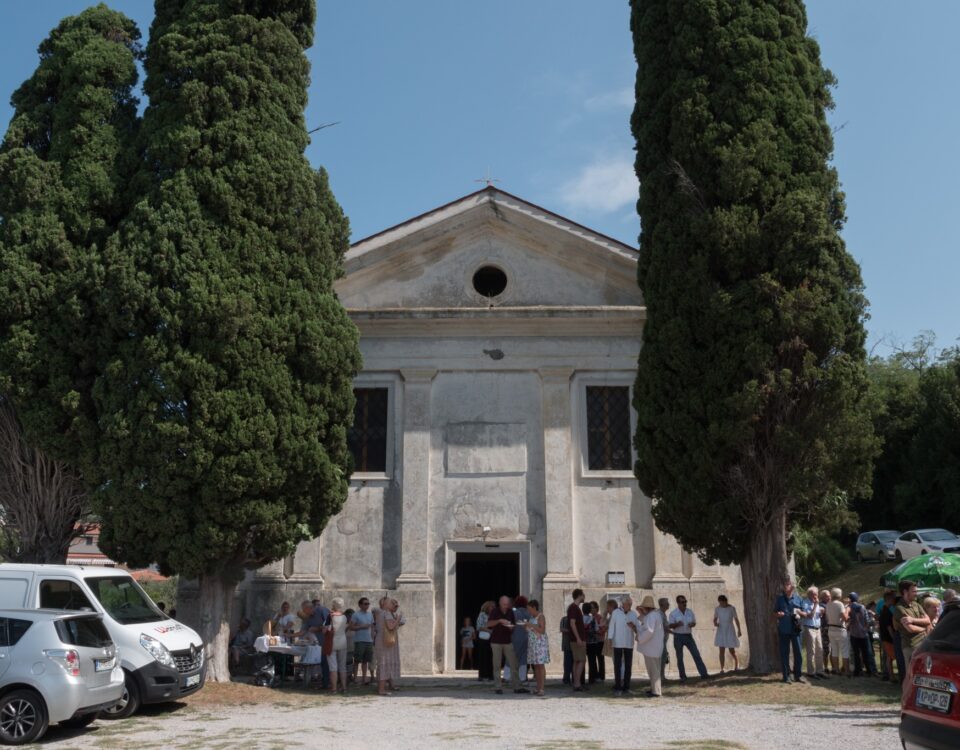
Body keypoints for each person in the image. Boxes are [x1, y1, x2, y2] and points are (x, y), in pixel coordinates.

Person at [487, 595, 527, 695]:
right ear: (500, 603)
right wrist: (499, 621)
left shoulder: (510, 612)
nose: (506, 606)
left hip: (508, 641)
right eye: (504, 604)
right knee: (496, 665)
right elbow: (489, 624)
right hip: (496, 642)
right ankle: (498, 687)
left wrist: (511, 627)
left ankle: (517, 686)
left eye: (507, 604)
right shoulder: (494, 611)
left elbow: (513, 625)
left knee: (514, 664)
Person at [669, 595, 709, 682]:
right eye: (682, 602)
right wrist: (677, 624)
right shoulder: (673, 613)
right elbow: (670, 625)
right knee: (680, 657)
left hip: (688, 636)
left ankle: (704, 674)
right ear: (678, 603)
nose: (684, 603)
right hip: (678, 636)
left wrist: (692, 624)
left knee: (696, 654)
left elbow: (694, 622)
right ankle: (683, 676)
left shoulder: (690, 612)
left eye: (685, 601)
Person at [774, 578, 804, 684]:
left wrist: (799, 613)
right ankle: (786, 676)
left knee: (798, 653)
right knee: (784, 653)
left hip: (796, 630)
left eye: (790, 584)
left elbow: (804, 614)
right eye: (786, 584)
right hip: (784, 630)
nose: (788, 586)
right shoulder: (780, 599)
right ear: (784, 587)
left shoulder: (799, 599)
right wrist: (779, 614)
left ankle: (798, 675)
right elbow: (774, 613)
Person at [606, 595, 637, 695]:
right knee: (617, 665)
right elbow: (611, 626)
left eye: (631, 604)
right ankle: (618, 686)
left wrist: (633, 627)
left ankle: (626, 687)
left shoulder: (633, 614)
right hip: (617, 641)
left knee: (628, 665)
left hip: (629, 642)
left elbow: (637, 628)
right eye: (628, 604)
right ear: (623, 604)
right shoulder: (615, 612)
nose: (630, 606)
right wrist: (610, 639)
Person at [635, 596, 665, 697]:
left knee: (653, 671)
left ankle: (656, 692)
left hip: (651, 648)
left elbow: (649, 631)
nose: (642, 609)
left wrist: (639, 638)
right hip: (653, 647)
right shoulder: (654, 615)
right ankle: (654, 689)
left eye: (643, 608)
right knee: (653, 670)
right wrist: (641, 613)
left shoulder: (652, 616)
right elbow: (645, 620)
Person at [375, 597, 402, 696]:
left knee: (383, 663)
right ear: (386, 605)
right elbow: (391, 627)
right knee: (384, 663)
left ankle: (382, 687)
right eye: (392, 603)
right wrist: (398, 619)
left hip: (382, 641)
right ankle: (381, 690)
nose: (394, 605)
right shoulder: (386, 613)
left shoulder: (382, 613)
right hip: (385, 642)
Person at [524, 599, 550, 696]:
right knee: (536, 666)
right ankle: (538, 687)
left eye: (529, 609)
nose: (528, 611)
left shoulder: (540, 616)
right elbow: (530, 630)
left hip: (540, 644)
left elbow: (542, 630)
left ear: (534, 608)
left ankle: (542, 688)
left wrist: (530, 625)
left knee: (540, 666)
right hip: (533, 645)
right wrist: (525, 626)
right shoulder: (531, 617)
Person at [800, 586, 826, 680]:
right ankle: (811, 672)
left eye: (817, 593)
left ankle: (820, 671)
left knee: (820, 650)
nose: (817, 596)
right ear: (810, 594)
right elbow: (810, 616)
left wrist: (821, 613)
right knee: (811, 651)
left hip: (817, 628)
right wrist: (815, 605)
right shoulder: (805, 602)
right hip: (809, 629)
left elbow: (816, 614)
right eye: (815, 594)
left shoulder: (817, 602)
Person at [846, 592, 873, 677]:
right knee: (866, 653)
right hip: (863, 634)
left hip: (854, 634)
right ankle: (869, 671)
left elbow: (847, 620)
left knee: (856, 653)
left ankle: (857, 671)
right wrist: (865, 628)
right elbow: (867, 620)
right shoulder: (862, 607)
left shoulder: (849, 608)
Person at [713, 594, 742, 673]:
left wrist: (739, 630)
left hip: (729, 629)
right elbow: (715, 619)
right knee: (721, 650)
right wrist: (715, 623)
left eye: (722, 602)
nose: (721, 604)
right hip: (721, 629)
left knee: (731, 650)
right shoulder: (717, 609)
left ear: (725, 601)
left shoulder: (732, 608)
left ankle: (736, 664)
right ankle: (722, 668)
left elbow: (736, 619)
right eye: (720, 603)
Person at [350, 597, 375, 685]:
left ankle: (364, 678)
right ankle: (355, 678)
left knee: (366, 661)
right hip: (359, 640)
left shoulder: (370, 615)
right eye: (365, 604)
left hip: (369, 641)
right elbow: (351, 627)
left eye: (368, 604)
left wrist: (373, 638)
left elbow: (372, 627)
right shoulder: (356, 615)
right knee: (357, 660)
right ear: (360, 605)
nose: (367, 605)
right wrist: (361, 627)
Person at [825, 587, 849, 676]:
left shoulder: (828, 604)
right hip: (840, 629)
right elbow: (845, 618)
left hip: (831, 629)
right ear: (839, 595)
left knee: (834, 650)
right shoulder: (840, 604)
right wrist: (847, 610)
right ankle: (847, 671)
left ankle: (836, 669)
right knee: (845, 651)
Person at [327, 598, 349, 693]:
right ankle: (344, 687)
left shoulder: (330, 616)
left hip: (332, 642)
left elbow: (326, 629)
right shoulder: (345, 617)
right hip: (343, 641)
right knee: (342, 666)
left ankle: (334, 689)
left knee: (333, 667)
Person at [567, 589, 587, 691]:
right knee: (581, 660)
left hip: (575, 638)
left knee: (577, 661)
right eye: (583, 595)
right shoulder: (574, 608)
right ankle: (577, 683)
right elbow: (572, 623)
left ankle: (576, 682)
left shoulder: (574, 608)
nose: (584, 596)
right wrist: (578, 638)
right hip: (577, 639)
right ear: (580, 595)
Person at [878, 590, 897, 681]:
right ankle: (891, 676)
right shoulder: (886, 612)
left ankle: (890, 675)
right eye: (894, 598)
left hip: (885, 636)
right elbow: (889, 627)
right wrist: (893, 638)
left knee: (889, 657)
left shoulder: (884, 610)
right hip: (887, 637)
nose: (895, 600)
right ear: (889, 599)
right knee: (890, 657)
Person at [511, 595, 530, 683]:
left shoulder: (514, 612)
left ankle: (508, 676)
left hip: (515, 637)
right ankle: (522, 677)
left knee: (512, 657)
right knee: (523, 658)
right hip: (526, 637)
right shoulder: (528, 612)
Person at [586, 601, 604, 683]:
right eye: (591, 608)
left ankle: (601, 676)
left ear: (597, 608)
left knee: (600, 658)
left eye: (593, 608)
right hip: (593, 641)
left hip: (599, 640)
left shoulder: (599, 617)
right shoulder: (589, 617)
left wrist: (596, 631)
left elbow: (602, 629)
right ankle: (595, 675)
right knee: (593, 659)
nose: (592, 610)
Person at [476, 601, 494, 681]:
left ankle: (491, 675)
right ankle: (482, 675)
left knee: (491, 657)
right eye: (492, 606)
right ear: (487, 607)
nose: (493, 608)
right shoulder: (482, 614)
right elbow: (479, 626)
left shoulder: (493, 615)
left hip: (492, 638)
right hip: (484, 638)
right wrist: (489, 630)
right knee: (483, 656)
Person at [818, 589, 832, 673]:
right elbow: (821, 610)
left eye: (830, 595)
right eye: (827, 596)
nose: (829, 597)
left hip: (833, 629)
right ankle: (825, 667)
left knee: (833, 649)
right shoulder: (821, 605)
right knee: (826, 650)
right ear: (822, 597)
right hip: (825, 630)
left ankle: (834, 667)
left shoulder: (831, 604)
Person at [657, 597, 671, 680]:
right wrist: (673, 632)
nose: (668, 604)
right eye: (667, 603)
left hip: (664, 640)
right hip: (660, 640)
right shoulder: (659, 614)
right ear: (662, 605)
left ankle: (662, 675)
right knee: (662, 658)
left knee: (663, 657)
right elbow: (663, 627)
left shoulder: (663, 613)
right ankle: (661, 676)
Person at [559, 613, 572, 684]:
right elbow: (561, 629)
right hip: (567, 644)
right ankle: (566, 678)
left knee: (573, 662)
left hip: (573, 644)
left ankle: (573, 678)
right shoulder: (564, 619)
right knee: (567, 662)